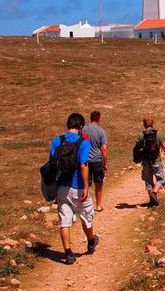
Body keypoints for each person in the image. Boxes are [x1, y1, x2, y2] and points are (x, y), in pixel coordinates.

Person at [49, 113, 99, 265]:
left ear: (68, 125)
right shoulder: (83, 142)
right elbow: (83, 165)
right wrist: (85, 186)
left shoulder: (57, 141)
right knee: (86, 215)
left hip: (61, 187)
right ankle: (91, 241)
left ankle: (68, 253)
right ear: (81, 127)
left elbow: (52, 162)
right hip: (77, 186)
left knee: (64, 220)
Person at [136, 117, 165, 207]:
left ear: (144, 124)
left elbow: (137, 148)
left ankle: (152, 202)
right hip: (156, 160)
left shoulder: (140, 135)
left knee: (148, 181)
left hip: (145, 161)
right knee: (161, 179)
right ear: (152, 124)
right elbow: (164, 147)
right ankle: (154, 194)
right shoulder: (158, 133)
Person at [82, 111, 108, 212]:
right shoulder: (101, 131)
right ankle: (98, 205)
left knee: (86, 184)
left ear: (90, 118)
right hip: (97, 160)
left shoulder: (84, 129)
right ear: (99, 118)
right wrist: (105, 163)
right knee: (98, 183)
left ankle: (85, 205)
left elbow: (82, 142)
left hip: (86, 161)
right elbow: (104, 149)